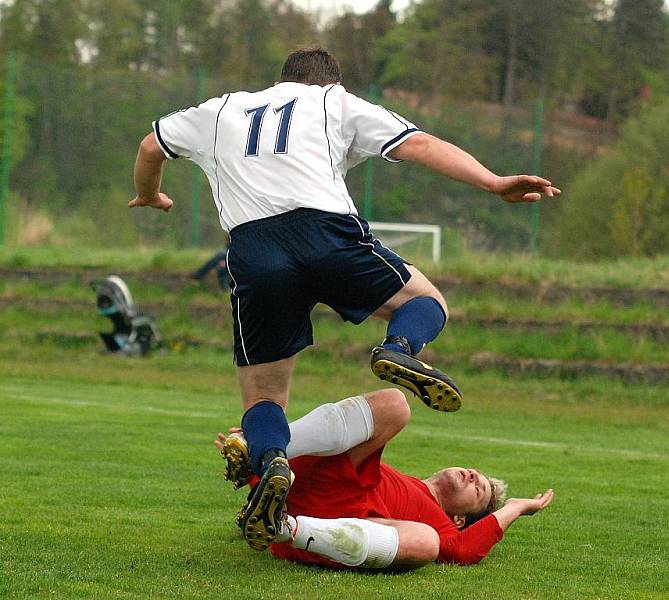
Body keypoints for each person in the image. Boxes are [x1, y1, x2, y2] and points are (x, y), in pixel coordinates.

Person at [131, 47, 560, 551]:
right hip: (325, 233)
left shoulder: (220, 110)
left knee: (265, 398)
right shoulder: (335, 103)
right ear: (329, 82)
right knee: (427, 302)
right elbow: (418, 143)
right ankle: (398, 348)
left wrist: (151, 195)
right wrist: (492, 182)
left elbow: (149, 146)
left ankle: (270, 460)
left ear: (282, 79)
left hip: (252, 250)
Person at [214, 388, 554, 570]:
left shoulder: (443, 525)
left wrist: (515, 507)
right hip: (317, 480)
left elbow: (464, 551)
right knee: (395, 405)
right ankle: (261, 447)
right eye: (475, 473)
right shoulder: (399, 479)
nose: (472, 476)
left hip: (335, 520)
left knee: (427, 544)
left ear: (460, 518)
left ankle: (280, 526)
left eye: (477, 489)